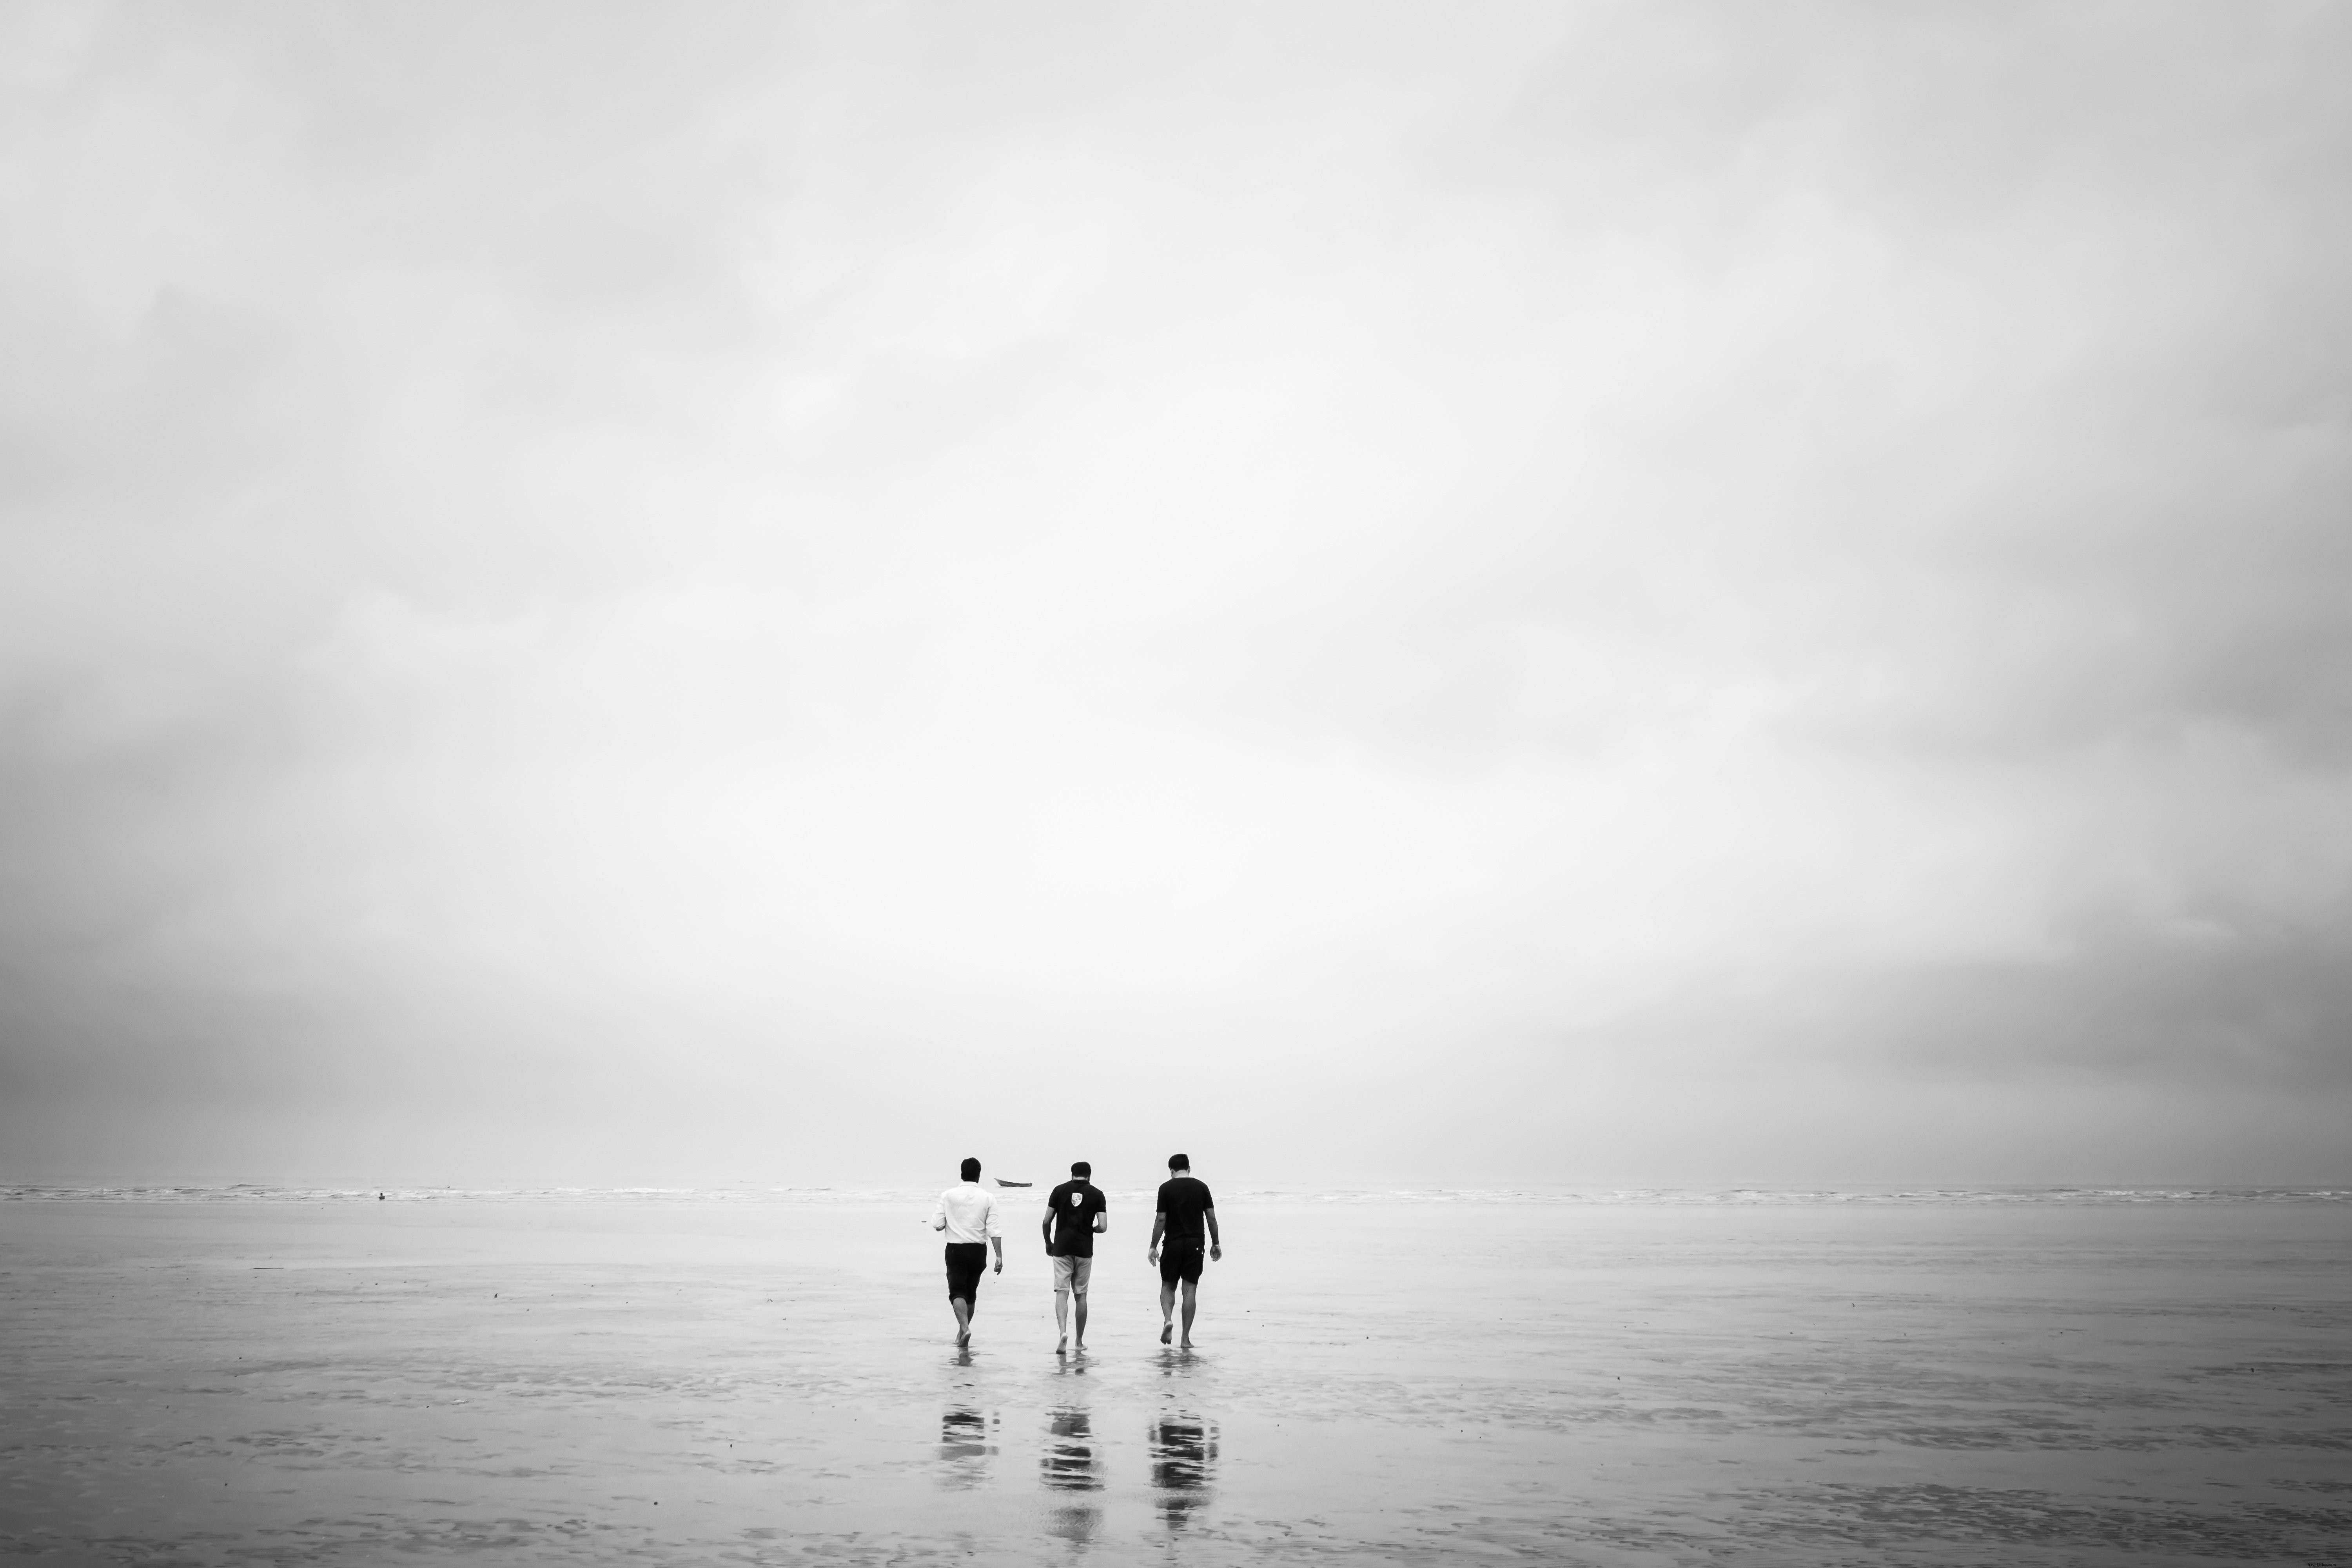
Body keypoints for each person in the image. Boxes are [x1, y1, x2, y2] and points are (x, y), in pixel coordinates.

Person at [1146, 1153, 1221, 1348]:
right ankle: (1185, 1339)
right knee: (1189, 1291)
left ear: (1171, 1171)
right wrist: (1216, 1243)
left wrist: (1153, 1246)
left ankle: (1168, 1319)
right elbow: (1211, 1218)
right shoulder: (1202, 1187)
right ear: (1189, 1168)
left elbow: (1161, 1219)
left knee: (1168, 1286)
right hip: (1195, 1245)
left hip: (1172, 1244)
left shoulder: (1166, 1188)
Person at [931, 1156, 1003, 1345]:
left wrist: (950, 1221)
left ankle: (965, 1329)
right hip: (979, 1251)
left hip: (956, 1250)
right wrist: (999, 1256)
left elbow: (937, 1225)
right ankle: (962, 1331)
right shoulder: (989, 1198)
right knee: (971, 1294)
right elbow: (994, 1230)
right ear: (979, 1175)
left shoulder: (948, 1196)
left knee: (957, 1293)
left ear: (961, 1174)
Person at [1040, 1160, 1109, 1354]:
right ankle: (1079, 1342)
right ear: (1089, 1175)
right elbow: (1103, 1226)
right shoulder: (1097, 1194)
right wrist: (1091, 1229)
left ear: (1072, 1174)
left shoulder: (1059, 1191)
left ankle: (1063, 1333)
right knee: (1081, 1295)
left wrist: (1048, 1243)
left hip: (1062, 1248)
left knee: (1062, 1292)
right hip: (1084, 1250)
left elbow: (1046, 1222)